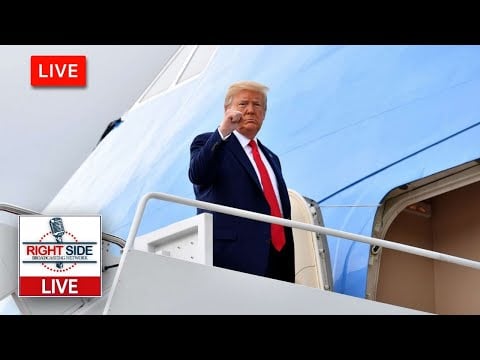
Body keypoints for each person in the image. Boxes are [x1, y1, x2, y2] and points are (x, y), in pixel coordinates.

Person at [188, 80, 295, 283]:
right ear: (227, 109)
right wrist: (223, 131)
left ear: (264, 113)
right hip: (233, 258)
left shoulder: (271, 158)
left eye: (257, 105)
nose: (250, 110)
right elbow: (198, 174)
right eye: (243, 104)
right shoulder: (209, 142)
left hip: (278, 259)